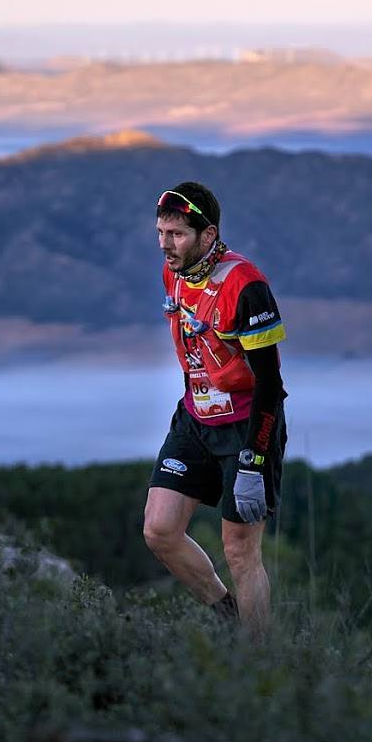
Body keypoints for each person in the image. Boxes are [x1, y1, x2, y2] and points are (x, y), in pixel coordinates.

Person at [143, 181, 287, 636]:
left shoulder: (247, 287)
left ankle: (264, 663)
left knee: (241, 551)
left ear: (208, 235)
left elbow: (270, 384)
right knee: (159, 530)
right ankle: (229, 619)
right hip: (195, 416)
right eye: (161, 233)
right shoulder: (175, 272)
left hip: (248, 425)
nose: (166, 245)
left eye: (177, 234)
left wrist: (255, 459)